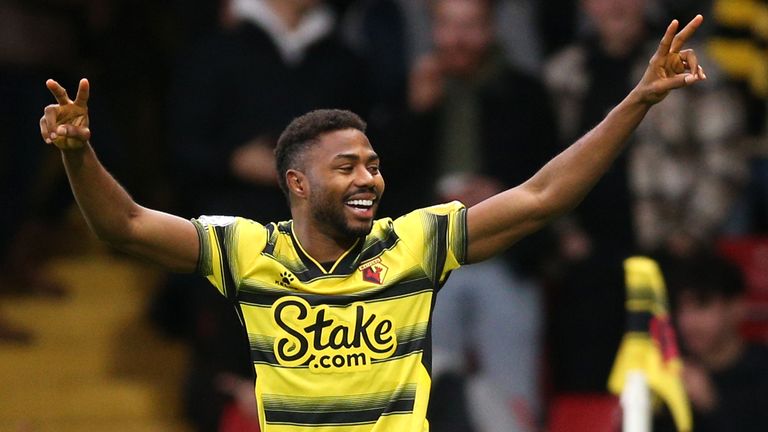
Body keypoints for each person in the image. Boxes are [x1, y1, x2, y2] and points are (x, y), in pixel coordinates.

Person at [39, 15, 706, 432]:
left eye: (374, 165)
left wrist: (637, 101)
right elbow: (122, 225)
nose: (369, 179)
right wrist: (78, 154)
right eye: (347, 167)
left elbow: (542, 196)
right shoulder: (244, 249)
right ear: (296, 184)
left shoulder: (414, 241)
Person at [654, 251, 768, 432]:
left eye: (702, 306)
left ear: (736, 308)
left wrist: (711, 406)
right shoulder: (673, 370)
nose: (687, 321)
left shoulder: (761, 372)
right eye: (681, 309)